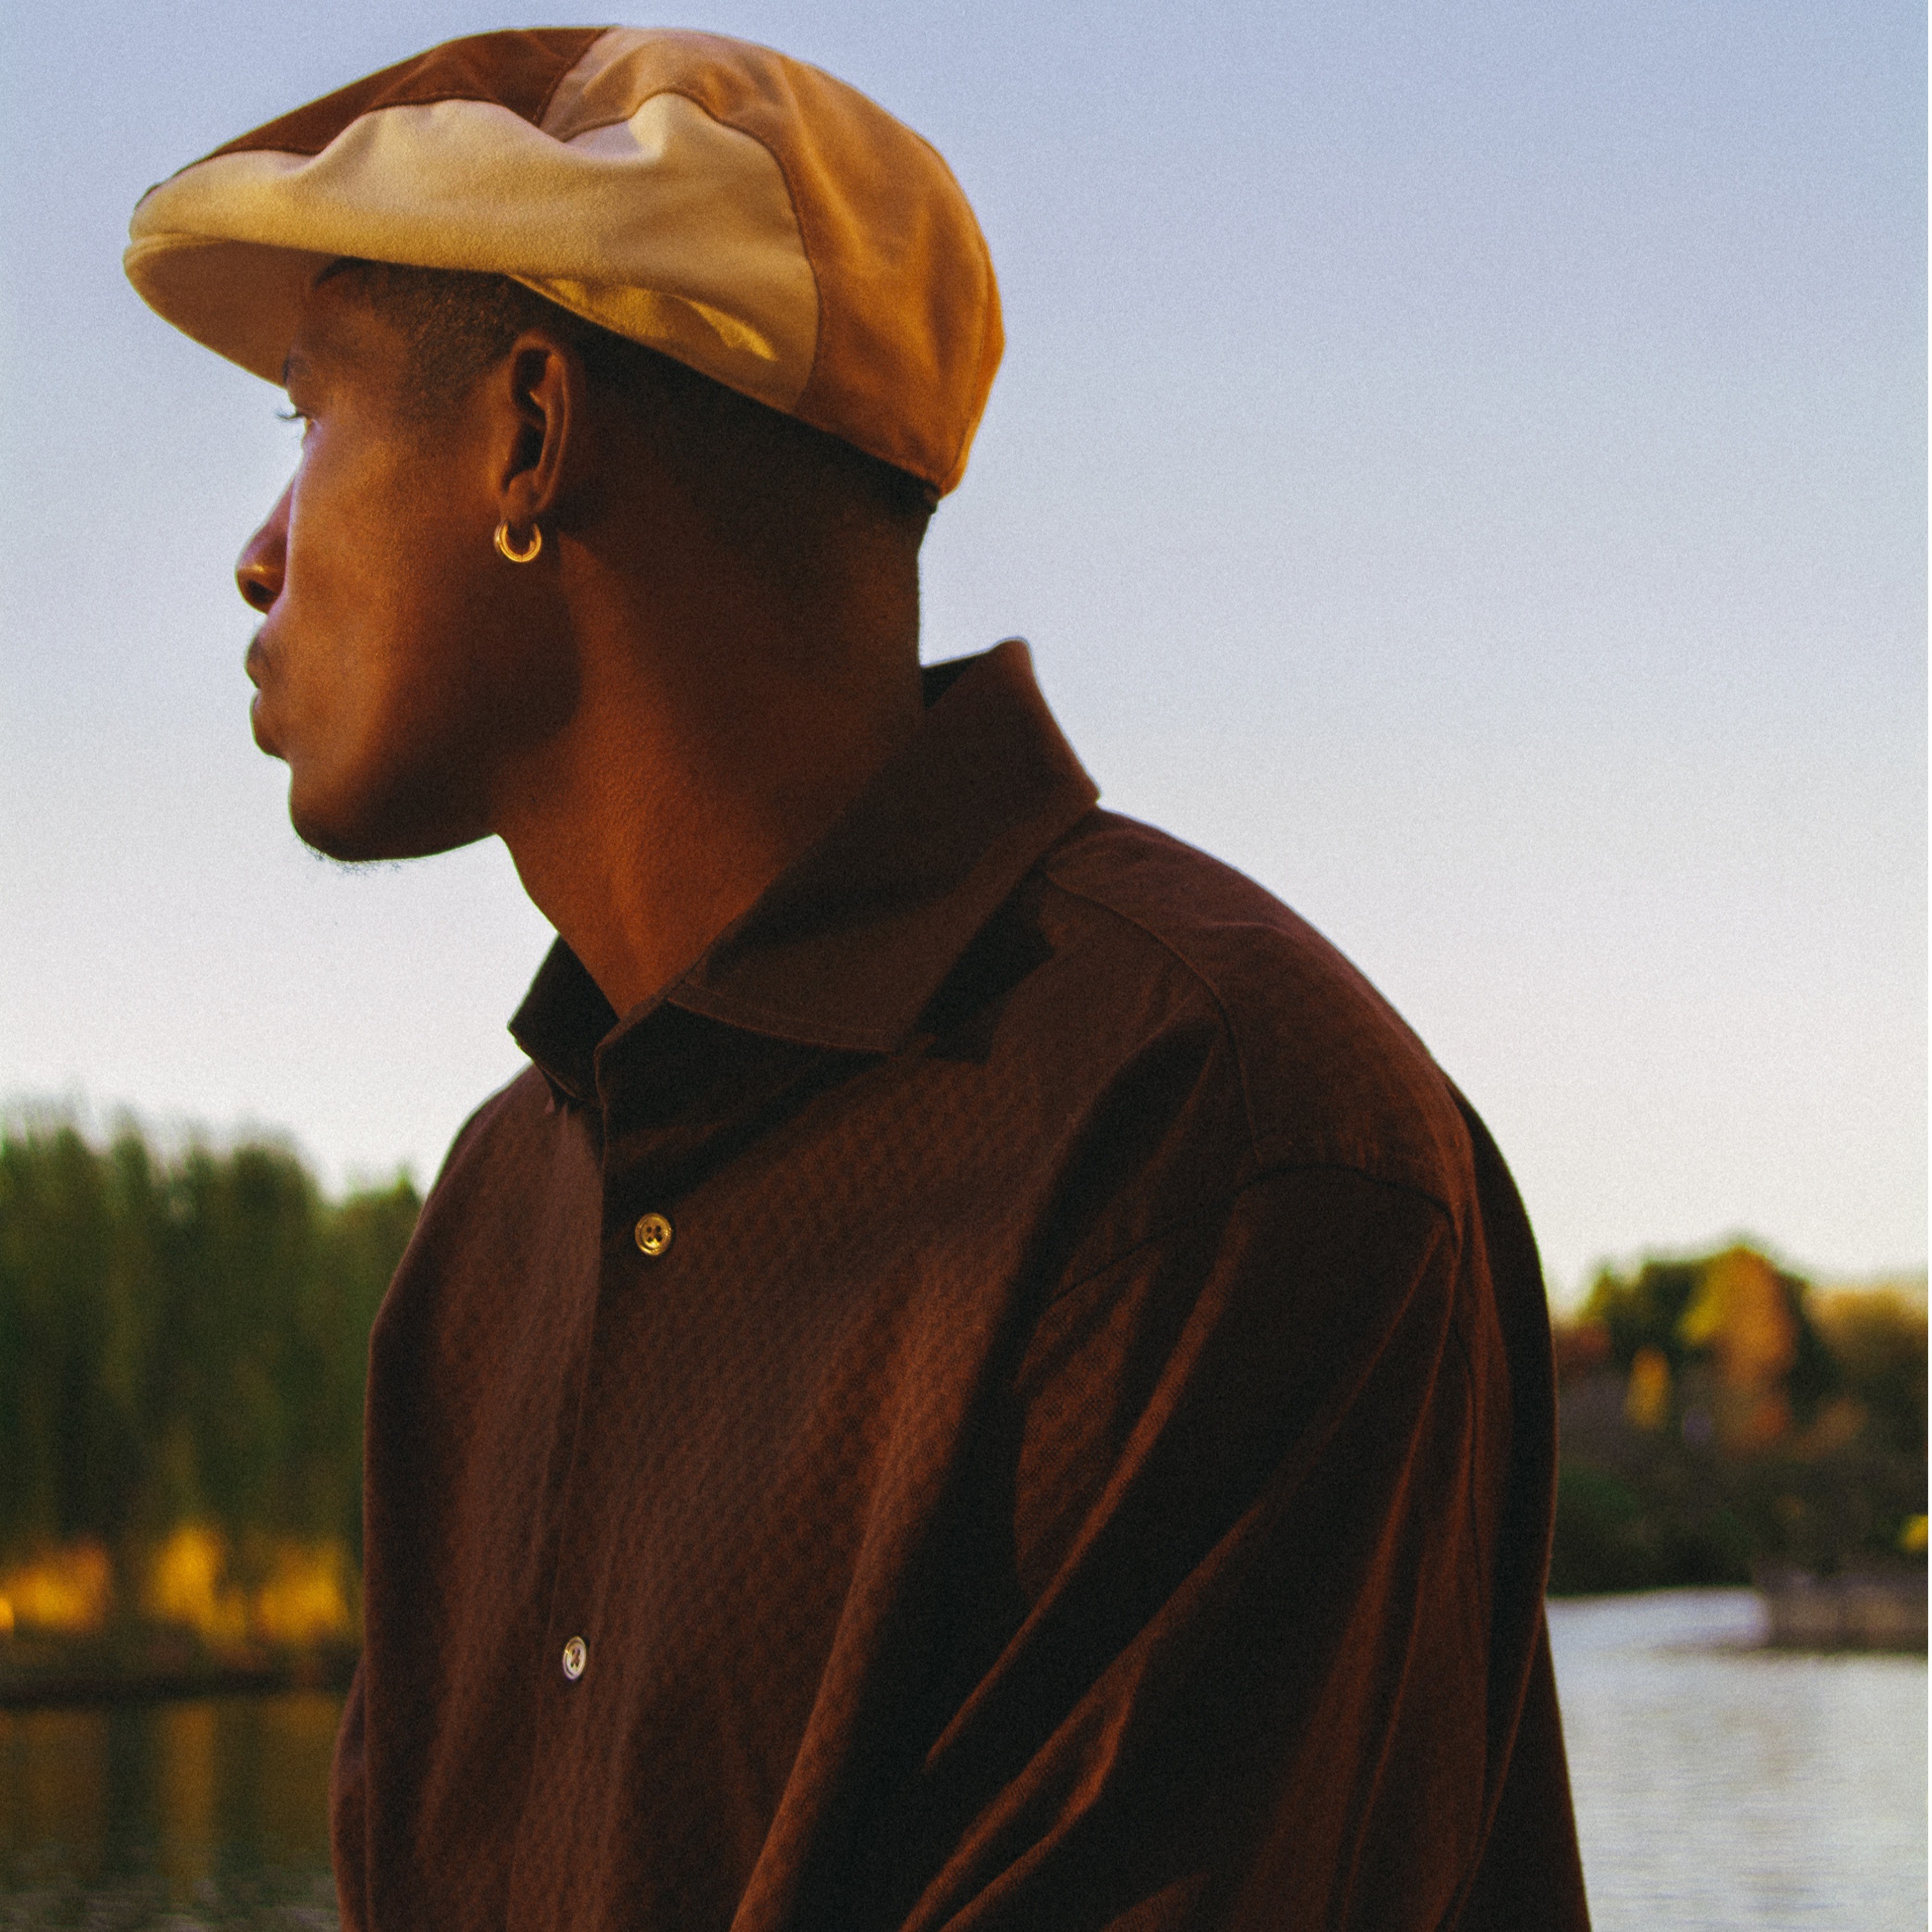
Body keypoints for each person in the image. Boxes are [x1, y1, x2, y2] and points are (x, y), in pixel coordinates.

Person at [126, 26, 1590, 1931]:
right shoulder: (493, 1223)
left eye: (306, 425)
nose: (260, 559)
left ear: (530, 434)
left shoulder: (1216, 1132)